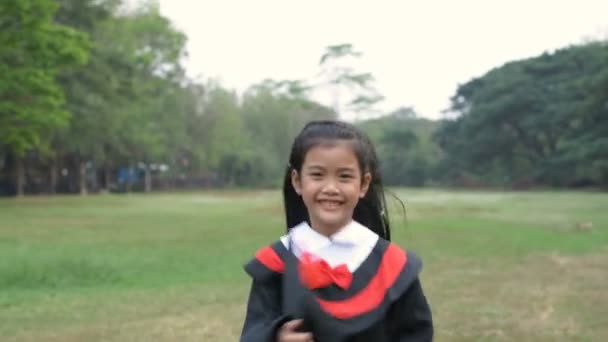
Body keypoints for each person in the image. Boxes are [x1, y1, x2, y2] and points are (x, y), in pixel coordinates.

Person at [240, 120, 433, 341]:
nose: (330, 188)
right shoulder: (276, 263)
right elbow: (253, 332)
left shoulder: (393, 265)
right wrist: (275, 337)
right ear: (297, 181)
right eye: (317, 175)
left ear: (363, 184)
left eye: (344, 176)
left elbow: (416, 335)